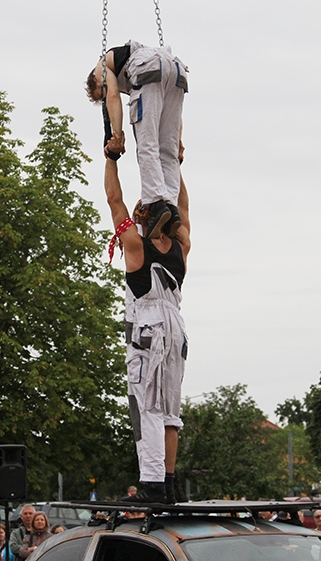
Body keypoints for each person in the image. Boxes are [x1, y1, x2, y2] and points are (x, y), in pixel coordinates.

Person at [105, 157, 191, 505]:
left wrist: (110, 160)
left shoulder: (137, 246)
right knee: (170, 409)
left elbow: (114, 200)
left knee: (147, 406)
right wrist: (175, 166)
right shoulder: (181, 247)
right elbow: (183, 206)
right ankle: (169, 484)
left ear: (143, 218)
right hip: (177, 330)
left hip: (150, 328)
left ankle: (153, 484)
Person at [87, 40, 189, 239]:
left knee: (147, 144)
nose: (105, 97)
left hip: (148, 69)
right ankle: (171, 208)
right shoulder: (131, 59)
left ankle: (156, 205)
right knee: (167, 152)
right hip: (177, 70)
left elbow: (114, 95)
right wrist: (178, 139)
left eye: (101, 93)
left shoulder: (101, 67)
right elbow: (174, 114)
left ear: (96, 81)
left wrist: (117, 136)